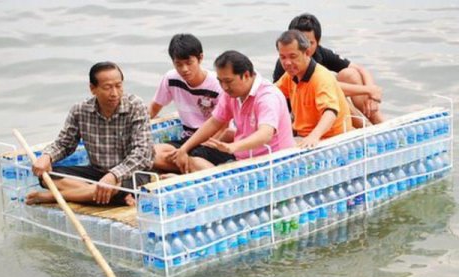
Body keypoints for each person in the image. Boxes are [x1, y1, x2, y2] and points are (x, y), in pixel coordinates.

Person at [27, 61, 154, 206]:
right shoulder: (80, 110)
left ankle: (54, 196)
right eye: (107, 87)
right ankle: (98, 194)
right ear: (93, 88)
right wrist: (47, 156)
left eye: (119, 86)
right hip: (97, 172)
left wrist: (114, 175)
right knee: (47, 176)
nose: (114, 93)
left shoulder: (136, 106)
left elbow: (142, 153)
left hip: (130, 175)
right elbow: (65, 144)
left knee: (115, 188)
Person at [171, 50, 295, 174]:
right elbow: (214, 122)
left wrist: (233, 146)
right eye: (220, 81)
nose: (224, 87)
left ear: (246, 75)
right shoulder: (231, 93)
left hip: (271, 162)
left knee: (196, 163)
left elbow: (265, 134)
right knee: (192, 157)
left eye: (228, 81)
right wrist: (184, 148)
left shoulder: (267, 97)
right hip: (241, 156)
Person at [273, 13, 385, 125]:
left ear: (318, 41)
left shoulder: (320, 53)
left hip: (321, 100)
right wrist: (368, 90)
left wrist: (372, 94)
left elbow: (360, 69)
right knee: (336, 93)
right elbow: (326, 85)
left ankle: (379, 122)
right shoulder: (289, 63)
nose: (306, 47)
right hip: (296, 110)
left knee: (350, 74)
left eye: (310, 43)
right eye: (301, 43)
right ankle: (364, 127)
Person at [149, 33, 231, 173]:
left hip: (213, 141)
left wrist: (202, 146)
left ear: (200, 58)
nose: (184, 69)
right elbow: (154, 108)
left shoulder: (217, 84)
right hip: (187, 138)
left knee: (192, 157)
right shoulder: (171, 78)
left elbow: (223, 126)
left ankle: (188, 167)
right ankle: (192, 168)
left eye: (189, 62)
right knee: (150, 154)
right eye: (179, 64)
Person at [275, 30, 352, 149]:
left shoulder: (321, 77)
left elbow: (330, 112)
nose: (287, 63)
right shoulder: (290, 76)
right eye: (282, 57)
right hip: (302, 134)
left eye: (293, 56)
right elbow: (272, 94)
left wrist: (314, 136)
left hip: (328, 139)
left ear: (307, 53)